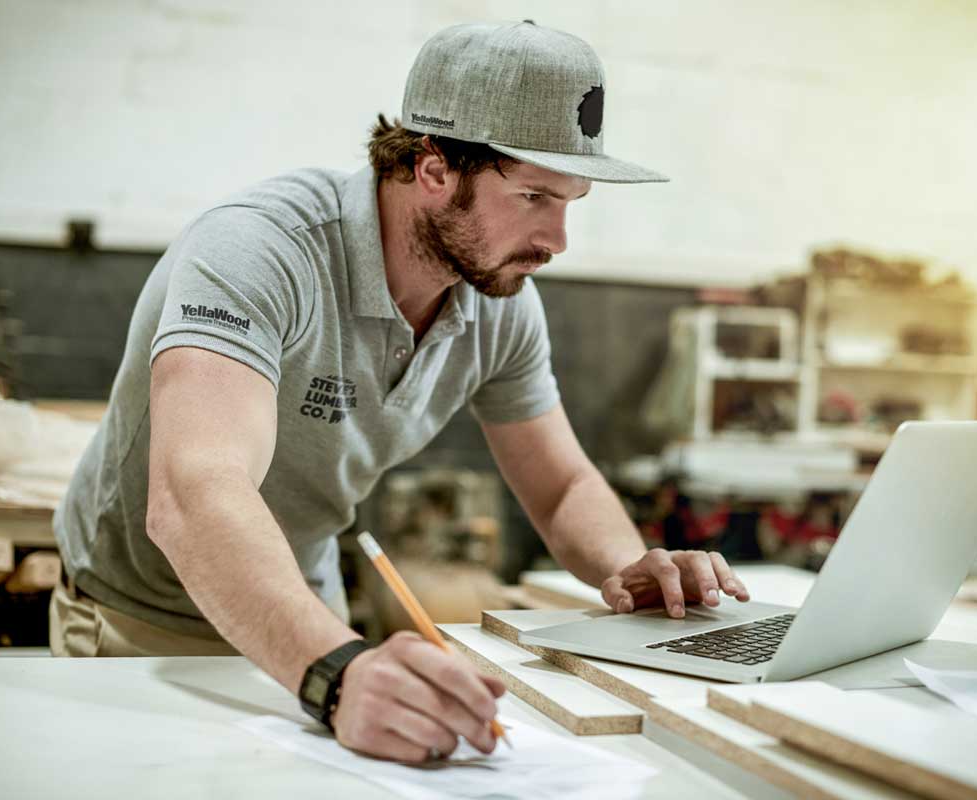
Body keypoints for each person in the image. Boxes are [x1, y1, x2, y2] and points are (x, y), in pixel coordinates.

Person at [50, 20, 752, 762]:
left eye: (571, 202)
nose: (557, 240)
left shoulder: (498, 300)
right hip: (143, 620)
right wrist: (337, 675)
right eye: (535, 196)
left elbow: (561, 485)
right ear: (435, 168)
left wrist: (628, 568)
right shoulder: (258, 250)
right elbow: (196, 493)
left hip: (309, 619)